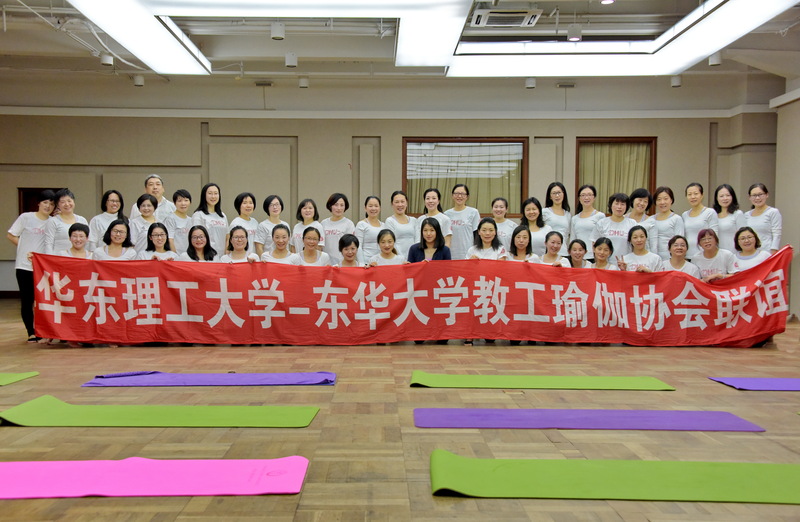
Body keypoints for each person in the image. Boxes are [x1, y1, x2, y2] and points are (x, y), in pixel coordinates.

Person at [7, 189, 55, 342]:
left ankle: (43, 330)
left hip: (43, 268)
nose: (48, 206)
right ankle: (31, 332)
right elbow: (11, 235)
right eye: (45, 202)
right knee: (27, 300)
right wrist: (24, 248)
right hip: (24, 266)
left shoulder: (53, 222)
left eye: (51, 204)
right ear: (38, 203)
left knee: (41, 301)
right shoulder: (26, 217)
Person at [591, 193, 636, 258]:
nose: (619, 207)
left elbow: (635, 245)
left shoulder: (632, 223)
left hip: (626, 262)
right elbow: (594, 244)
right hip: (606, 262)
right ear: (611, 205)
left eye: (622, 204)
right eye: (616, 203)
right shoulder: (602, 223)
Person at [682, 182, 719, 260]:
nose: (693, 197)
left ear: (702, 195)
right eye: (689, 194)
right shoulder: (684, 215)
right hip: (688, 256)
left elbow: (714, 236)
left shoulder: (710, 212)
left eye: (696, 194)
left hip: (704, 256)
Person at [192, 183, 228, 259]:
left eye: (216, 193)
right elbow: (196, 238)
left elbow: (227, 237)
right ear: (204, 195)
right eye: (210, 193)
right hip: (207, 256)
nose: (213, 196)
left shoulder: (222, 215)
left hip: (222, 257)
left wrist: (226, 254)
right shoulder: (198, 215)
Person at [445, 184, 480, 260]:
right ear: (452, 195)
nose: (459, 196)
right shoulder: (446, 214)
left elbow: (477, 235)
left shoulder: (473, 212)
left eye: (463, 194)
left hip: (468, 254)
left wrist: (476, 253)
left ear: (467, 197)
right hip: (451, 254)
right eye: (456, 193)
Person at [744, 183, 782, 254]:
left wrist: (773, 251)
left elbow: (777, 234)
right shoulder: (746, 215)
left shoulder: (773, 212)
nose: (757, 198)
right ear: (749, 197)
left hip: (767, 252)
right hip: (750, 253)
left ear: (767, 195)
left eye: (760, 194)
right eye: (754, 195)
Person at [649, 186, 684, 260]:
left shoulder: (676, 219)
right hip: (653, 258)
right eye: (659, 199)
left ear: (671, 200)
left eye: (665, 199)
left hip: (670, 258)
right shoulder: (651, 219)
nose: (662, 202)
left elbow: (679, 242)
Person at [321, 192, 355, 266]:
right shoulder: (323, 223)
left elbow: (351, 245)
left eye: (342, 205)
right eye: (336, 205)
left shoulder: (349, 224)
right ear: (330, 206)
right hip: (326, 263)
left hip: (342, 263)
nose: (339, 208)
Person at [570, 184, 604, 257]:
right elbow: (573, 239)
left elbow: (602, 239)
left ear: (594, 198)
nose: (586, 197)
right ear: (579, 198)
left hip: (594, 255)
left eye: (589, 195)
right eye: (583, 195)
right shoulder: (574, 218)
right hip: (578, 256)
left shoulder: (600, 216)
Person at [713, 184, 746, 254]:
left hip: (734, 253)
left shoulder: (737, 214)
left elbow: (743, 235)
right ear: (717, 198)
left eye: (728, 195)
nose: (725, 198)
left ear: (732, 197)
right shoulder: (713, 215)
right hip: (717, 254)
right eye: (721, 196)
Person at [385, 190, 417, 259]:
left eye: (402, 202)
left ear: (406, 203)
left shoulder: (413, 220)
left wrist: (415, 255)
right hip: (397, 259)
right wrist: (401, 258)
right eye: (397, 202)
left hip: (414, 258)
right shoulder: (390, 221)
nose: (400, 205)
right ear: (392, 204)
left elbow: (417, 240)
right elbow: (391, 242)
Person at [543, 182, 571, 256]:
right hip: (548, 252)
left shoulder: (567, 214)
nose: (557, 196)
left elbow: (567, 235)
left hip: (563, 252)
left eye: (559, 193)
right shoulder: (544, 212)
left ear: (563, 194)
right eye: (554, 193)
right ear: (550, 196)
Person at [626, 188, 657, 253]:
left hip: (645, 256)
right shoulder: (624, 218)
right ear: (633, 200)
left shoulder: (651, 221)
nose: (642, 203)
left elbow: (653, 246)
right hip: (626, 256)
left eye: (645, 201)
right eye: (640, 200)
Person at [228, 192, 258, 256]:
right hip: (241, 258)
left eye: (251, 203)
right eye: (244, 203)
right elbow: (230, 244)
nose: (248, 205)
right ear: (239, 206)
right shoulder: (236, 223)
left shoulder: (255, 222)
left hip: (253, 257)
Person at [355, 195, 384, 262]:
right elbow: (358, 246)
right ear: (365, 208)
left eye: (376, 206)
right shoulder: (361, 225)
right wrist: (362, 263)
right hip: (366, 262)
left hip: (381, 262)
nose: (373, 208)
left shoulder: (384, 226)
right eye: (370, 206)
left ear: (380, 208)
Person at [165, 189, 193, 254]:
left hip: (188, 256)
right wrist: (175, 255)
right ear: (174, 203)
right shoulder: (170, 219)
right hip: (176, 256)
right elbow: (170, 239)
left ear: (190, 202)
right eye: (179, 201)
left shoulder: (191, 220)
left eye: (186, 200)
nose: (183, 203)